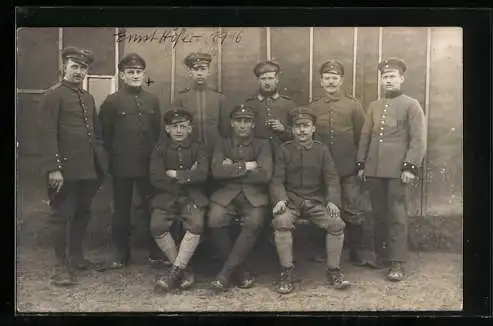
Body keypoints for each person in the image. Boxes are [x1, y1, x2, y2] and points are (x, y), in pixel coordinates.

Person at [39, 46, 108, 286]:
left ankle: (77, 258)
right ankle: (61, 266)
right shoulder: (53, 95)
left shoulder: (87, 98)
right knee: (61, 216)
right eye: (74, 66)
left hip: (87, 170)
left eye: (83, 68)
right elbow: (47, 134)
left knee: (81, 214)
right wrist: (54, 168)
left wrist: (100, 164)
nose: (79, 72)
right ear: (64, 68)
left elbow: (95, 134)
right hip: (64, 171)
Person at [356, 57, 427, 282]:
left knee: (396, 216)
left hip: (398, 172)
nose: (388, 80)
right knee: (378, 215)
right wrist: (361, 164)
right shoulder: (374, 106)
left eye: (392, 76)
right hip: (374, 170)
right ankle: (382, 256)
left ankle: (397, 263)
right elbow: (366, 135)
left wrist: (410, 167)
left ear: (401, 79)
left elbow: (418, 139)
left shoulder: (411, 104)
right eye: (385, 77)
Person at [270, 107, 350, 294]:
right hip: (291, 201)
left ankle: (334, 271)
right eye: (297, 127)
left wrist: (332, 201)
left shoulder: (321, 150)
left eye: (306, 126)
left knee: (336, 224)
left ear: (313, 128)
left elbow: (331, 179)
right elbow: (277, 180)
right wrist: (280, 199)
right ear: (292, 129)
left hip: (315, 201)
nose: (302, 131)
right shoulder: (284, 150)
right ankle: (287, 272)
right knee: (281, 221)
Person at [99, 53, 166, 269]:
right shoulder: (112, 101)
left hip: (148, 164)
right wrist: (113, 160)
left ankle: (155, 250)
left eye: (138, 72)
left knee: (151, 207)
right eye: (131, 72)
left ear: (143, 74)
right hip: (123, 164)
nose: (135, 75)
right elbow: (105, 135)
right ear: (122, 75)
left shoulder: (152, 100)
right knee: (122, 209)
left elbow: (158, 133)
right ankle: (122, 252)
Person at [309, 60, 376, 267]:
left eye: (334, 78)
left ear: (341, 80)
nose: (331, 81)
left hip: (347, 167)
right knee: (322, 207)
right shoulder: (313, 106)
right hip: (321, 170)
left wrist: (360, 163)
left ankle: (356, 251)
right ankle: (322, 249)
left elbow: (362, 136)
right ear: (321, 81)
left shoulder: (353, 105)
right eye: (327, 78)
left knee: (352, 208)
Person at [207, 105, 273, 292]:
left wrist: (233, 167)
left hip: (254, 195)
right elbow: (217, 172)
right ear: (232, 123)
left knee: (253, 222)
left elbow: (265, 175)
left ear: (253, 124)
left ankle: (225, 273)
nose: (242, 125)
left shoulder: (263, 144)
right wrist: (248, 166)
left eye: (247, 121)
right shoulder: (223, 144)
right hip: (227, 193)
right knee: (215, 219)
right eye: (239, 121)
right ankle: (240, 272)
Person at [149, 108, 209, 292]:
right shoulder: (160, 150)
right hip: (167, 196)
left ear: (190, 129)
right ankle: (183, 269)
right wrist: (188, 175)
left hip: (193, 196)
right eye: (174, 127)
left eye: (183, 126)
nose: (179, 131)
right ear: (167, 129)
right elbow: (156, 178)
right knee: (157, 226)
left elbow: (203, 174)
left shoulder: (199, 148)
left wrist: (175, 174)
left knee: (196, 224)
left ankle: (173, 273)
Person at [172, 52, 229, 156]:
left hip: (215, 150)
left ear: (208, 71)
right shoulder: (181, 98)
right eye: (196, 69)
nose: (199, 73)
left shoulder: (219, 98)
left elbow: (225, 130)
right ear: (190, 71)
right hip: (190, 151)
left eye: (203, 69)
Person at [244, 61, 296, 154]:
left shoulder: (288, 104)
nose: (267, 82)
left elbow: (299, 132)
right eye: (263, 79)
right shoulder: (249, 104)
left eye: (270, 78)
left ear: (277, 80)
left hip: (282, 154)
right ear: (258, 81)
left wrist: (284, 129)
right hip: (256, 154)